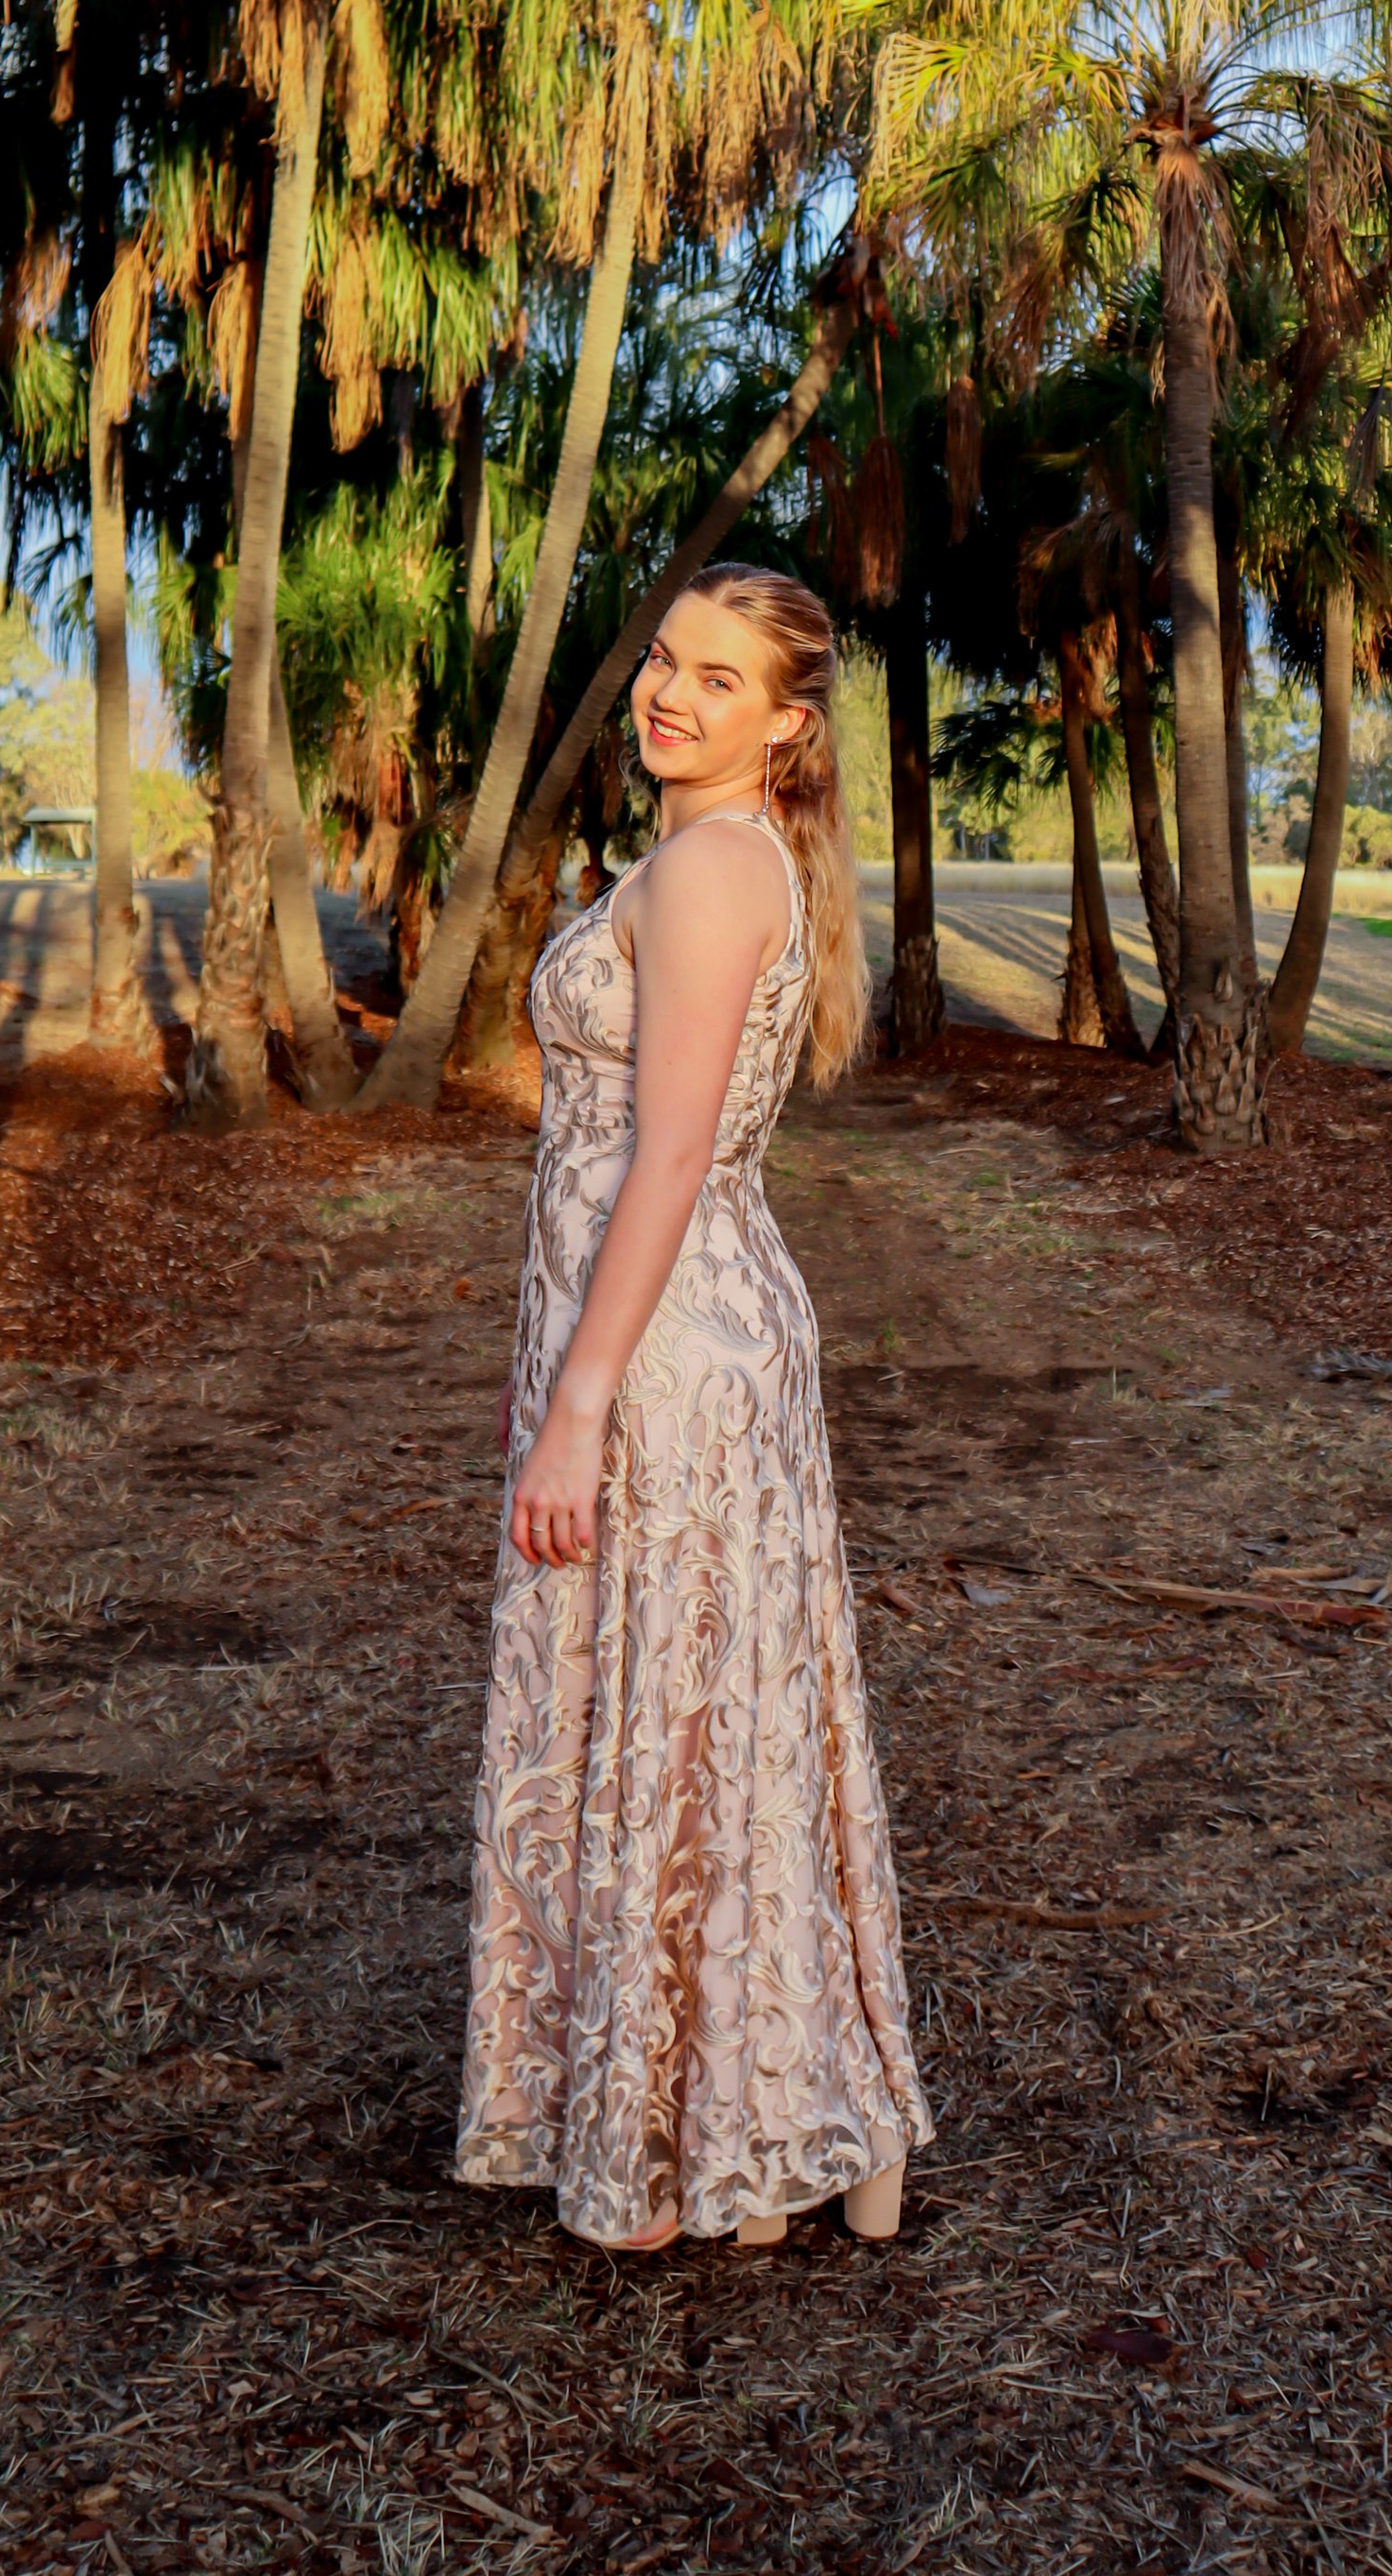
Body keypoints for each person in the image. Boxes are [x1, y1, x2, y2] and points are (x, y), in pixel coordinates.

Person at [455, 563, 931, 2252]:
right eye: (667, 659)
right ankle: (747, 2109)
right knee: (692, 1720)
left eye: (719, 680)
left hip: (663, 1357)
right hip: (651, 1329)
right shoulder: (691, 856)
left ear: (788, 728)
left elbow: (667, 1153)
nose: (670, 692)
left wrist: (579, 1402)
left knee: (682, 1719)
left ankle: (718, 2129)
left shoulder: (720, 865)